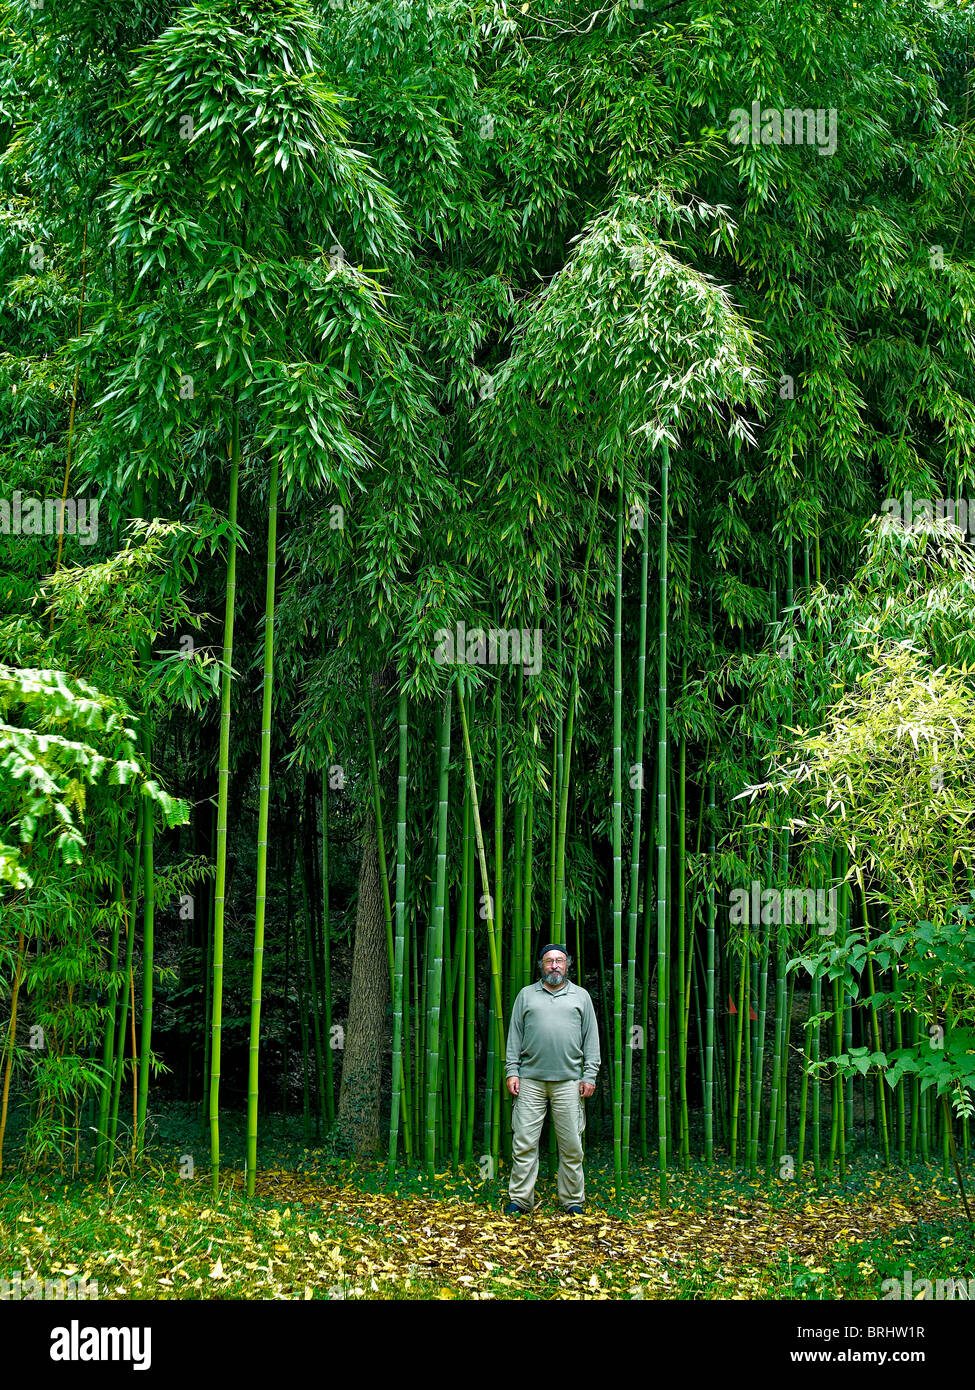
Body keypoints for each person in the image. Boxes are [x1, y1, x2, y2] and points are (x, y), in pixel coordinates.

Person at [503, 942, 600, 1215]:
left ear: (567, 964)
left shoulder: (581, 997)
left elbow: (591, 1039)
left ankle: (572, 1201)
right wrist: (512, 1070)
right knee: (524, 1142)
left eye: (559, 960)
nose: (554, 965)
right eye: (549, 961)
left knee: (571, 1145)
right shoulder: (526, 995)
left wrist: (589, 1075)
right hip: (530, 1080)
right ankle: (520, 1200)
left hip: (569, 1081)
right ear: (541, 965)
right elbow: (515, 1036)